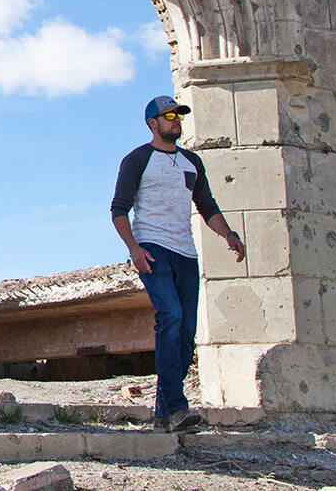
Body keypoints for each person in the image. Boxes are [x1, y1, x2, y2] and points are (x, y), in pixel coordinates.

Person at [110, 95, 246, 432]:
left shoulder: (192, 162)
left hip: (186, 253)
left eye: (178, 115)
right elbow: (118, 210)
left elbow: (207, 206)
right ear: (152, 123)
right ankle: (177, 407)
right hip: (153, 249)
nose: (176, 120)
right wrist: (134, 249)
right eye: (168, 116)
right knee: (169, 316)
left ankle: (163, 410)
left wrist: (227, 234)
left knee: (186, 332)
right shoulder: (137, 160)